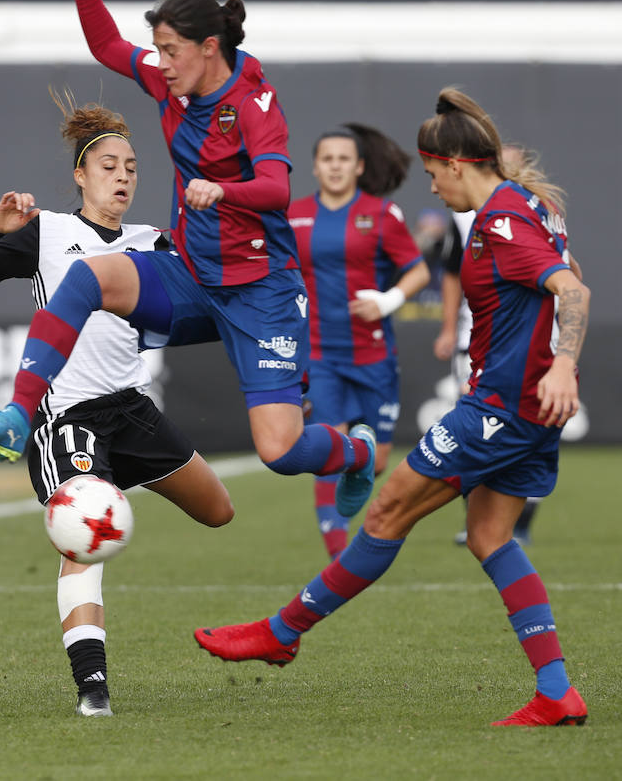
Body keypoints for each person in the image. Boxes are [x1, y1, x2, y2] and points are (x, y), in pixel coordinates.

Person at [194, 87, 591, 728]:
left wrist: (563, 365)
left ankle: (283, 630)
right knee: (491, 535)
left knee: (384, 508)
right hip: (522, 407)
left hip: (502, 409)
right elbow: (564, 266)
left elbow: (570, 288)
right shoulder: (529, 207)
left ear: (458, 165)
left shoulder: (502, 220)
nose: (432, 189)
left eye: (434, 175)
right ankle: (556, 691)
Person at [0, 0, 377, 523]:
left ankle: (357, 452)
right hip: (193, 275)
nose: (160, 62)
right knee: (87, 279)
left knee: (280, 451)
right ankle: (19, 416)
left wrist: (223, 189)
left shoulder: (255, 106)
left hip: (260, 291)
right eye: (157, 48)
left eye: (171, 49)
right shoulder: (169, 82)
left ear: (209, 47)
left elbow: (278, 188)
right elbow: (106, 47)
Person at [0, 91, 234, 718]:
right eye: (109, 166)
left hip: (131, 409)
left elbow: (203, 302)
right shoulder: (46, 230)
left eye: (131, 167)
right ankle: (92, 685)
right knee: (81, 544)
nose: (123, 176)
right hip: (68, 416)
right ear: (80, 173)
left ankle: (117, 482)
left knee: (219, 511)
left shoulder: (152, 241)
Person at [289, 124, 429, 557]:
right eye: (327, 158)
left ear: (359, 166)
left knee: (378, 460)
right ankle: (337, 553)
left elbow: (418, 271)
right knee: (329, 446)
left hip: (372, 355)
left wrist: (388, 301)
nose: (335, 166)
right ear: (315, 166)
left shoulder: (382, 214)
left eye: (344, 159)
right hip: (318, 355)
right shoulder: (292, 216)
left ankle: (358, 474)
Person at [436, 144, 546, 546]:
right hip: (474, 343)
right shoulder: (464, 216)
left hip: (525, 347)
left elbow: (567, 280)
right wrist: (449, 328)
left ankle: (520, 525)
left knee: (524, 435)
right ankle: (477, 522)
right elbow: (450, 274)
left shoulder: (541, 211)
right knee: (472, 429)